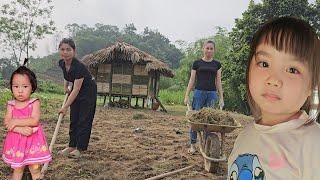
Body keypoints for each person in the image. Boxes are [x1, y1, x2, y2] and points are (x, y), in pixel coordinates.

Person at [228, 16, 320, 179]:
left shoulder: (313, 144)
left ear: (312, 86)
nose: (273, 80)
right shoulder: (244, 136)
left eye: (292, 70)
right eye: (264, 64)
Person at [2, 60, 52, 180]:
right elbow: (7, 123)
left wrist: (15, 122)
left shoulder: (34, 102)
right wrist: (19, 129)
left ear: (32, 87)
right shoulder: (11, 105)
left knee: (35, 169)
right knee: (17, 170)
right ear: (11, 87)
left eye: (24, 86)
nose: (20, 90)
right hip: (16, 144)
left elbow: (34, 120)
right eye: (16, 86)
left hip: (33, 143)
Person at [58, 38, 97, 158]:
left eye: (68, 49)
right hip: (76, 88)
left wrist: (65, 107)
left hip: (88, 91)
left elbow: (76, 89)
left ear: (74, 51)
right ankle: (71, 145)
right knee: (74, 118)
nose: (65, 52)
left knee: (83, 119)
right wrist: (65, 87)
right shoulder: (61, 63)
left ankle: (80, 148)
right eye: (62, 49)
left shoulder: (79, 66)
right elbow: (67, 76)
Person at [184, 40, 224, 154]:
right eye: (207, 48)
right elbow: (192, 80)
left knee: (209, 120)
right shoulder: (197, 63)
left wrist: (221, 98)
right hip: (199, 93)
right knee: (195, 119)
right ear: (203, 49)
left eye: (211, 48)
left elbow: (218, 82)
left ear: (214, 50)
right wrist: (187, 95)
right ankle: (192, 144)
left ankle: (207, 144)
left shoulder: (217, 64)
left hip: (212, 94)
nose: (209, 50)